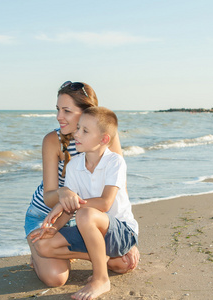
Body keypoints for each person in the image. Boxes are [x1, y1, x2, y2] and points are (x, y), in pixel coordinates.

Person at [24, 81, 139, 287]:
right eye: (58, 109)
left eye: (66, 111)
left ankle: (87, 253)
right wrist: (63, 194)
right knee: (55, 279)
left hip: (86, 214)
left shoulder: (105, 137)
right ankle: (41, 251)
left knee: (122, 263)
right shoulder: (53, 140)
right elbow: (49, 197)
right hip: (48, 215)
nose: (59, 116)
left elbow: (118, 189)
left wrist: (125, 239)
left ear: (87, 113)